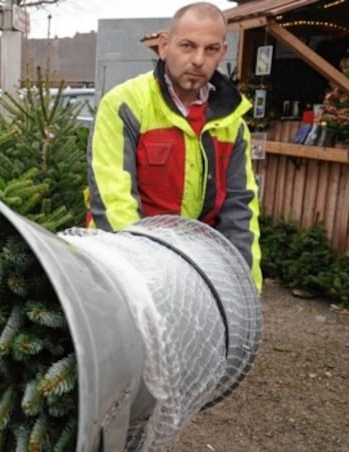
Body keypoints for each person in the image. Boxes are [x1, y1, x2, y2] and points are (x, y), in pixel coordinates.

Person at [85, 1, 262, 292]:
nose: (198, 60)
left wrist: (244, 287)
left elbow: (240, 209)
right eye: (188, 46)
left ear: (223, 53)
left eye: (211, 49)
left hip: (197, 267)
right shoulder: (125, 105)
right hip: (125, 265)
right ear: (165, 46)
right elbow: (113, 201)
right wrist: (144, 277)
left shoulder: (233, 123)